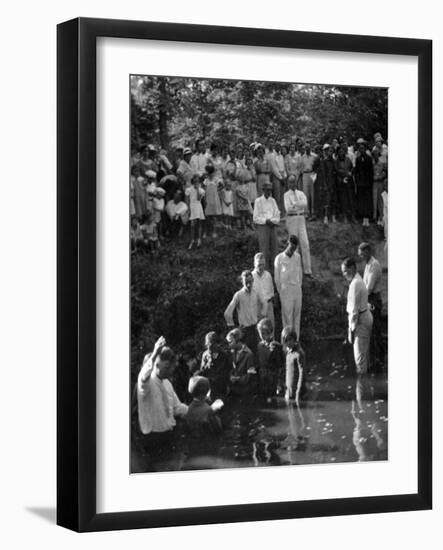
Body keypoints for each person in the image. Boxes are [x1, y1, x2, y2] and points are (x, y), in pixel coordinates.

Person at [136, 336, 188, 440]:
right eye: (168, 367)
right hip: (153, 437)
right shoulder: (147, 382)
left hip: (169, 434)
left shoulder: (167, 383)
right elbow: (143, 375)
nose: (171, 371)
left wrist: (196, 409)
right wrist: (155, 353)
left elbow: (177, 408)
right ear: (157, 364)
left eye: (172, 367)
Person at [341, 257, 373, 374]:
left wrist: (351, 331)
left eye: (345, 271)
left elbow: (354, 312)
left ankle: (361, 388)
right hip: (365, 316)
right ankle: (366, 386)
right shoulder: (358, 279)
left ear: (352, 268)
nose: (344, 274)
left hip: (360, 320)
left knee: (359, 359)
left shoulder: (355, 284)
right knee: (365, 354)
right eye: (342, 272)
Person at [224, 270, 264, 355]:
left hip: (255, 329)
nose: (249, 284)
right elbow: (227, 313)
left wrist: (261, 318)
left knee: (257, 355)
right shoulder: (238, 295)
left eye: (250, 281)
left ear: (253, 280)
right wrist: (233, 328)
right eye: (246, 282)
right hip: (244, 331)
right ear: (242, 281)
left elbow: (264, 303)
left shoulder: (256, 293)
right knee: (246, 356)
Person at [358, 242, 383, 370]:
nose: (360, 257)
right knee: (369, 330)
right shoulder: (367, 264)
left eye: (362, 254)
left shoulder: (374, 265)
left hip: (374, 301)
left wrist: (360, 298)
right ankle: (373, 359)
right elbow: (363, 284)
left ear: (367, 251)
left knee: (375, 331)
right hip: (368, 299)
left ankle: (379, 360)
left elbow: (369, 288)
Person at [274, 235, 303, 339]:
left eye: (294, 248)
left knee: (297, 316)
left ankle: (296, 341)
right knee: (287, 318)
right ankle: (287, 341)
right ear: (287, 244)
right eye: (291, 247)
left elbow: (300, 273)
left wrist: (299, 287)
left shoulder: (297, 257)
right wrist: (281, 292)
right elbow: (277, 278)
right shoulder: (279, 258)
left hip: (297, 290)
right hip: (285, 291)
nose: (292, 250)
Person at [284, 175, 312, 276]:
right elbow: (288, 208)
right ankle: (296, 271)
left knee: (305, 243)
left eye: (294, 181)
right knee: (294, 245)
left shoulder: (301, 193)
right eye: (290, 182)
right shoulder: (286, 195)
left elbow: (305, 204)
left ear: (296, 182)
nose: (292, 183)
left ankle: (307, 270)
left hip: (301, 218)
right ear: (288, 183)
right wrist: (298, 204)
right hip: (292, 219)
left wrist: (295, 204)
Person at [253, 181, 280, 271]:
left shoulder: (273, 201)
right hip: (263, 226)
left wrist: (273, 221)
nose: (269, 192)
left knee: (274, 248)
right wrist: (266, 221)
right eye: (267, 190)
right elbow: (256, 217)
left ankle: (275, 269)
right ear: (263, 190)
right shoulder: (258, 201)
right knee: (264, 249)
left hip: (272, 226)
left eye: (270, 190)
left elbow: (277, 214)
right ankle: (265, 270)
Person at [256, 318, 284, 401]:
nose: (260, 335)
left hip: (272, 378)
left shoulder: (276, 347)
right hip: (262, 377)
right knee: (264, 398)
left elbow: (280, 366)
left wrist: (279, 383)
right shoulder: (260, 345)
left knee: (273, 399)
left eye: (261, 333)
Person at [199, 332, 231, 400]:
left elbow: (228, 370)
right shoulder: (205, 355)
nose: (209, 347)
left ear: (217, 344)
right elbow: (203, 371)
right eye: (208, 344)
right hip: (210, 387)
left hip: (222, 386)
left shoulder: (224, 355)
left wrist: (228, 385)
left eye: (212, 344)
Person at [226, 328, 257, 398]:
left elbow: (251, 376)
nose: (228, 345)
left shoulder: (249, 354)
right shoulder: (232, 352)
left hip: (245, 391)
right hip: (233, 391)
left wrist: (237, 379)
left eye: (230, 342)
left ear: (238, 340)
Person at [281, 326, 305, 405]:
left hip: (297, 390)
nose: (288, 343)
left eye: (290, 340)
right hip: (288, 389)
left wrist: (299, 391)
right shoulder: (286, 351)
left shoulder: (299, 353)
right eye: (286, 341)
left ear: (294, 339)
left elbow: (302, 373)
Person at [251, 252, 275, 326]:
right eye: (259, 265)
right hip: (257, 306)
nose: (261, 267)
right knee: (259, 329)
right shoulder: (251, 277)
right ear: (254, 264)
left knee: (271, 328)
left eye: (263, 265)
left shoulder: (268, 275)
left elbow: (271, 291)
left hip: (268, 305)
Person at [354, 138, 374, 227]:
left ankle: (367, 218)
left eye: (362, 148)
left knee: (367, 200)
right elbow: (357, 170)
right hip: (360, 183)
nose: (361, 150)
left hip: (367, 183)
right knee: (361, 200)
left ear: (365, 149)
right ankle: (362, 217)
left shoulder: (369, 158)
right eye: (360, 149)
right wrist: (357, 180)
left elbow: (371, 172)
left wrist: (370, 182)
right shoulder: (358, 159)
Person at [316, 144, 337, 225]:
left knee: (333, 200)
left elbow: (336, 172)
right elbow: (323, 174)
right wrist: (324, 184)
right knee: (326, 201)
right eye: (329, 151)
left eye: (332, 151)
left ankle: (333, 216)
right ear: (327, 152)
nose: (330, 153)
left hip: (334, 183)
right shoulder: (324, 162)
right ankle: (325, 217)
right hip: (327, 183)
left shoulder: (334, 161)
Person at [334, 145, 356, 223]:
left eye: (342, 151)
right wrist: (345, 174)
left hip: (349, 182)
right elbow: (337, 170)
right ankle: (345, 216)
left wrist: (350, 173)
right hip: (341, 182)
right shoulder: (336, 161)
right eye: (339, 151)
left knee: (351, 199)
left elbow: (351, 168)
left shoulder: (348, 159)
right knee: (344, 200)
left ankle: (352, 216)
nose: (341, 152)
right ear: (338, 152)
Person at [185, 174, 205, 249]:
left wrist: (197, 190)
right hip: (192, 206)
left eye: (197, 181)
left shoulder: (201, 190)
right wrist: (188, 209)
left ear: (199, 182)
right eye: (195, 181)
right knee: (192, 225)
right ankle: (192, 240)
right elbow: (187, 200)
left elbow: (198, 198)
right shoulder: (188, 189)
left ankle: (199, 239)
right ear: (192, 181)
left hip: (198, 206)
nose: (196, 182)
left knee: (199, 223)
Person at [204, 163, 222, 238]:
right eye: (208, 172)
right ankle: (207, 231)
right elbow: (204, 190)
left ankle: (214, 231)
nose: (210, 174)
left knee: (214, 216)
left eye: (211, 172)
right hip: (208, 199)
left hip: (214, 199)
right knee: (208, 216)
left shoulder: (216, 179)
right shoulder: (206, 180)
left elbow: (222, 186)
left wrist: (217, 190)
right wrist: (204, 199)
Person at [300, 142, 317, 219]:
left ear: (311, 148)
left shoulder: (314, 156)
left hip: (312, 174)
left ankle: (313, 212)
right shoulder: (302, 157)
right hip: (305, 174)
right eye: (306, 148)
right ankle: (306, 212)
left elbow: (316, 167)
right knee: (305, 193)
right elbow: (300, 167)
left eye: (308, 147)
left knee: (313, 193)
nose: (307, 149)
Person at [270, 142, 287, 214]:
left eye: (279, 146)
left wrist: (285, 176)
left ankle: (283, 212)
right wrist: (280, 177)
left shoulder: (281, 156)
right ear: (275, 147)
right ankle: (278, 212)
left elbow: (283, 167)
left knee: (283, 195)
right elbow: (274, 168)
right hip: (276, 177)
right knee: (277, 195)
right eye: (277, 146)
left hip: (283, 176)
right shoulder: (272, 156)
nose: (278, 148)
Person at [372, 148, 387, 225]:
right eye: (374, 155)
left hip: (380, 182)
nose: (376, 156)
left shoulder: (382, 163)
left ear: (379, 155)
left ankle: (381, 216)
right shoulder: (371, 163)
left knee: (380, 200)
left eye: (377, 155)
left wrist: (380, 177)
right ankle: (374, 216)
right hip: (374, 183)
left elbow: (385, 173)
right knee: (374, 199)